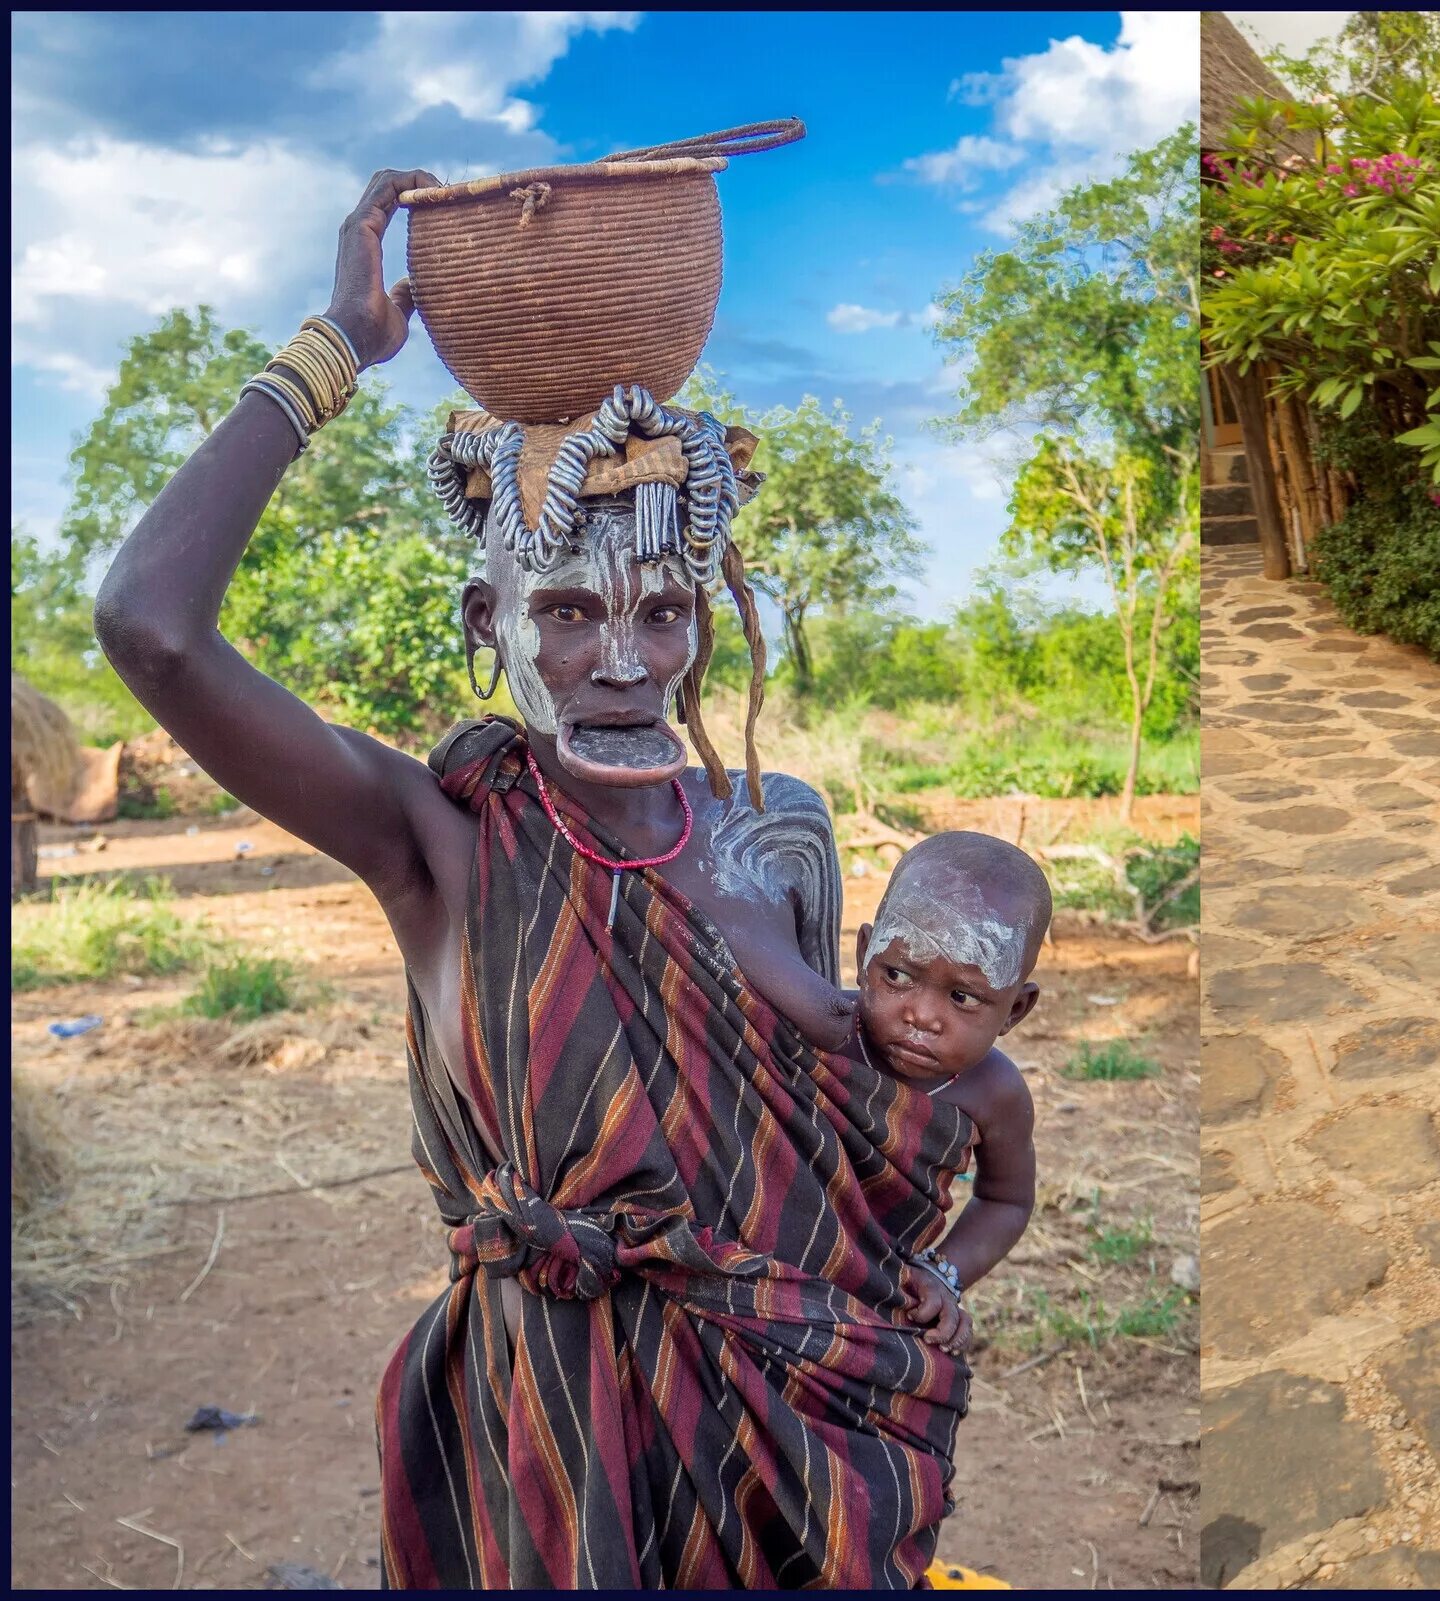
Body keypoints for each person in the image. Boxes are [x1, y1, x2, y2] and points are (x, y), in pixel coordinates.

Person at [93, 171, 982, 1588]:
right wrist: (335, 351)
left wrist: (931, 1269)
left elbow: (846, 1148)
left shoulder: (781, 834)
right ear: (486, 619)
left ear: (702, 621)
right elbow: (150, 626)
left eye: (661, 611)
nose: (619, 662)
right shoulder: (436, 839)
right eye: (566, 613)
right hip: (540, 1426)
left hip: (778, 1438)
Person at [841, 832, 1048, 1357]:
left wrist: (941, 1274)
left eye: (963, 996)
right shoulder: (821, 1034)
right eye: (897, 974)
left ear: (1015, 1011)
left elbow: (1006, 1200)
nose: (922, 1016)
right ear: (864, 954)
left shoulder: (995, 1093)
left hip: (882, 1308)